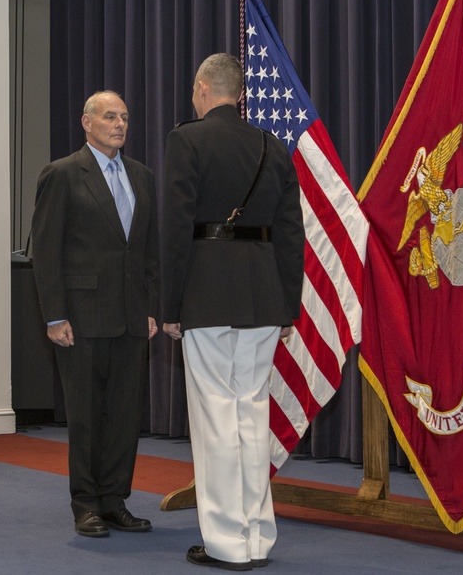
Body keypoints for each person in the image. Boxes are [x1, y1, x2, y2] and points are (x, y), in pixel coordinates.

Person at [161, 54, 304, 570]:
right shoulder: (271, 145)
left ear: (203, 89)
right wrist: (288, 306)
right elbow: (292, 233)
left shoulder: (186, 139)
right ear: (239, 93)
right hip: (264, 295)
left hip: (206, 295)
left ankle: (225, 543)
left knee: (216, 417)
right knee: (252, 413)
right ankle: (258, 536)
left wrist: (170, 305)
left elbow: (176, 230)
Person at [31, 90, 160, 538]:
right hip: (80, 318)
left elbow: (148, 252)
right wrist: (54, 316)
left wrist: (151, 309)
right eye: (110, 116)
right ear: (87, 123)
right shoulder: (63, 174)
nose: (120, 124)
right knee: (86, 416)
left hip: (130, 319)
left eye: (124, 116)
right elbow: (45, 252)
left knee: (124, 416)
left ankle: (114, 500)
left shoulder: (142, 176)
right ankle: (85, 504)